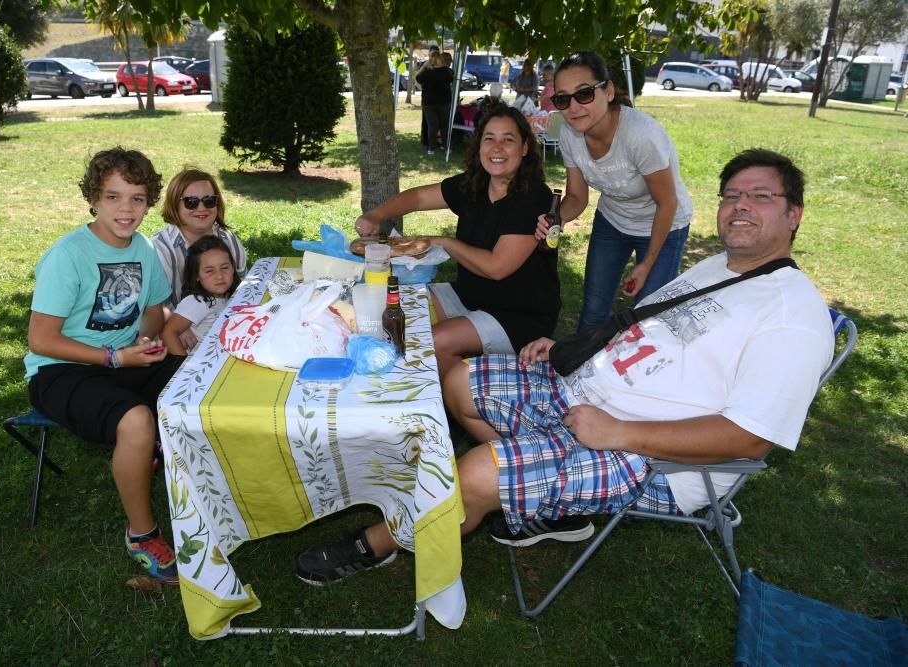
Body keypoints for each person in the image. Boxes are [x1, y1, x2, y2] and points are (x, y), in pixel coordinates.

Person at [291, 149, 834, 583]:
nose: (741, 206)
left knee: (477, 473)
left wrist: (621, 430)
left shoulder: (792, 316)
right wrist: (568, 348)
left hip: (648, 457)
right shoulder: (720, 266)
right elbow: (642, 331)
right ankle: (540, 507)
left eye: (762, 196)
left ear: (795, 214)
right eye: (732, 195)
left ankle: (376, 543)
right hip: (583, 393)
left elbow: (750, 438)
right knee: (456, 381)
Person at [24, 147, 184, 584]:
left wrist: (145, 338)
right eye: (113, 197)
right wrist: (115, 356)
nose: (126, 210)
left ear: (150, 201)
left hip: (124, 357)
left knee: (196, 384)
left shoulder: (144, 248)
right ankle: (142, 533)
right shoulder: (69, 255)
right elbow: (41, 339)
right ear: (93, 197)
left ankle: (193, 479)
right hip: (59, 370)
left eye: (136, 198)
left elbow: (155, 307)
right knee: (135, 421)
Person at [352, 104, 560, 380]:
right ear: (479, 146)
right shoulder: (474, 184)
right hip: (468, 296)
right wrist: (378, 215)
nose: (497, 147)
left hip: (517, 316)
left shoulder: (533, 197)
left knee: (432, 341)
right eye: (490, 138)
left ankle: (461, 402)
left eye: (508, 140)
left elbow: (496, 267)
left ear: (524, 148)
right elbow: (417, 198)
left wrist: (445, 242)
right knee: (398, 307)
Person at [547, 51, 692, 332]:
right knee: (593, 312)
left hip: (664, 224)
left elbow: (667, 203)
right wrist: (554, 219)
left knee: (649, 319)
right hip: (612, 221)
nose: (573, 107)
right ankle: (583, 372)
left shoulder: (640, 134)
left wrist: (647, 263)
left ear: (608, 90)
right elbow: (577, 197)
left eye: (584, 94)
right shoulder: (568, 133)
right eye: (563, 98)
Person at [151, 168, 246, 310]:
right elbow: (160, 309)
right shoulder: (160, 249)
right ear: (174, 204)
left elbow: (245, 288)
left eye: (209, 200)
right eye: (191, 202)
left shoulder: (228, 238)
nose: (201, 208)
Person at [161, 236, 240, 356]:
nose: (219, 276)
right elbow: (168, 333)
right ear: (196, 275)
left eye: (224, 268)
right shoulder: (197, 302)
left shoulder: (231, 295)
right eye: (209, 271)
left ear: (233, 268)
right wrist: (183, 366)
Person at [416, 50, 454, 155]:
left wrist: (424, 66)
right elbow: (452, 78)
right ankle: (446, 147)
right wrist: (444, 66)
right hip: (444, 101)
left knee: (432, 125)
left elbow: (418, 78)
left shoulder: (427, 72)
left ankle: (431, 148)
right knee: (444, 125)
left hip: (429, 102)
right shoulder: (446, 71)